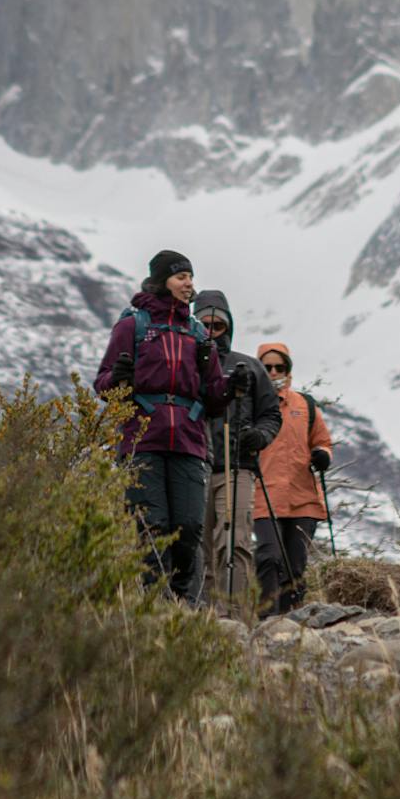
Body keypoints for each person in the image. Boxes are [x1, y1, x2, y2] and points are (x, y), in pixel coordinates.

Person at [91, 249, 228, 601]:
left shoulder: (198, 334)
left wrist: (230, 390)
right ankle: (155, 607)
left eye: (190, 277)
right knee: (152, 527)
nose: (189, 283)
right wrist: (118, 380)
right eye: (181, 276)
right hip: (142, 440)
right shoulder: (132, 326)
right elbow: (103, 383)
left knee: (189, 527)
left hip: (188, 441)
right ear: (163, 280)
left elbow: (213, 397)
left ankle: (185, 606)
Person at [194, 290, 279, 614]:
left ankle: (237, 616)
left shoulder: (251, 367)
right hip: (195, 465)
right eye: (205, 326)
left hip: (236, 466)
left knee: (234, 540)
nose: (213, 332)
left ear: (228, 326)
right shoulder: (186, 365)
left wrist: (259, 436)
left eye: (218, 326)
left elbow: (271, 414)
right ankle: (206, 616)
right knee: (199, 546)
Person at [250, 341, 332, 615]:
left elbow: (322, 442)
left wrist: (322, 455)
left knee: (296, 564)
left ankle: (291, 620)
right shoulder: (248, 406)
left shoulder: (305, 405)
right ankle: (266, 620)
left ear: (288, 369)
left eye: (279, 367)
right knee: (269, 557)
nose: (273, 372)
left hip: (302, 497)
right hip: (263, 495)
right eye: (267, 366)